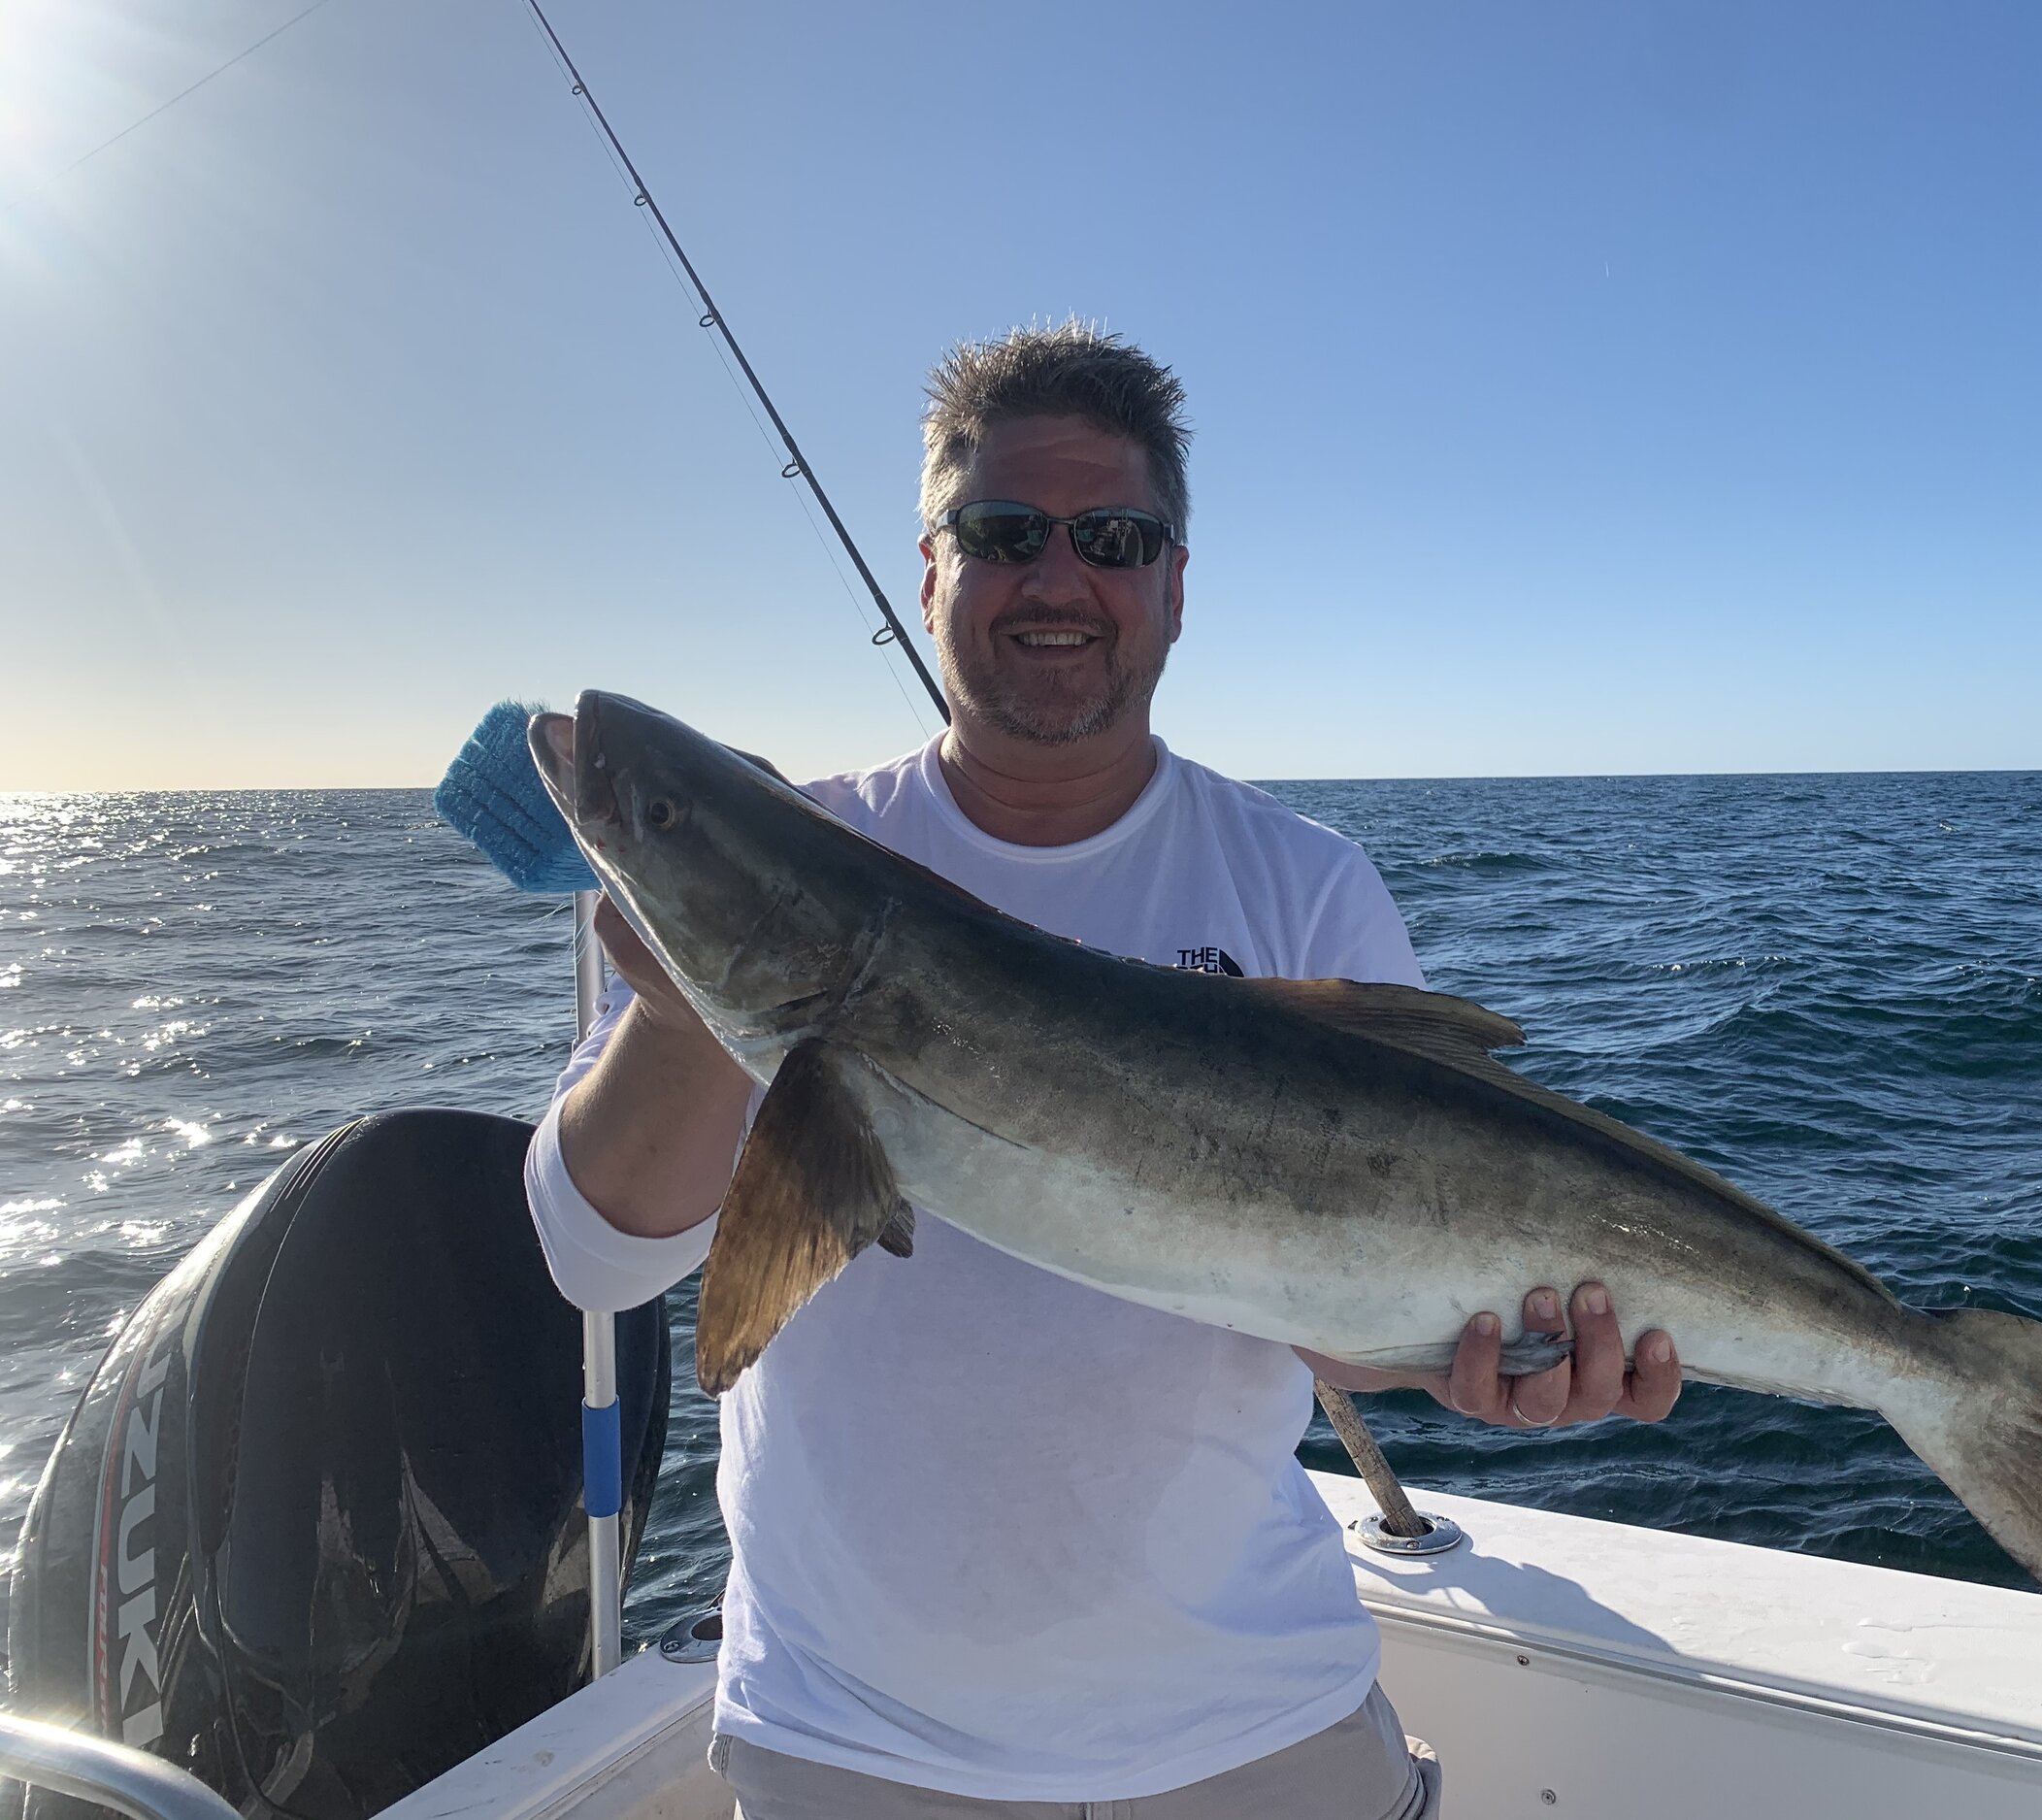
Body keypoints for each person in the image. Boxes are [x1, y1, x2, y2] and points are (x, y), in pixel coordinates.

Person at [524, 323, 1682, 1819]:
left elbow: (1333, 1332)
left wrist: (1502, 1362)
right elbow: (588, 1257)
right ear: (931, 572)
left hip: (1255, 1722)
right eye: (1003, 533)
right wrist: (689, 997)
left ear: (1175, 587)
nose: (1057, 578)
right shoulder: (795, 841)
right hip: (851, 1737)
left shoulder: (1303, 886)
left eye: (1114, 538)